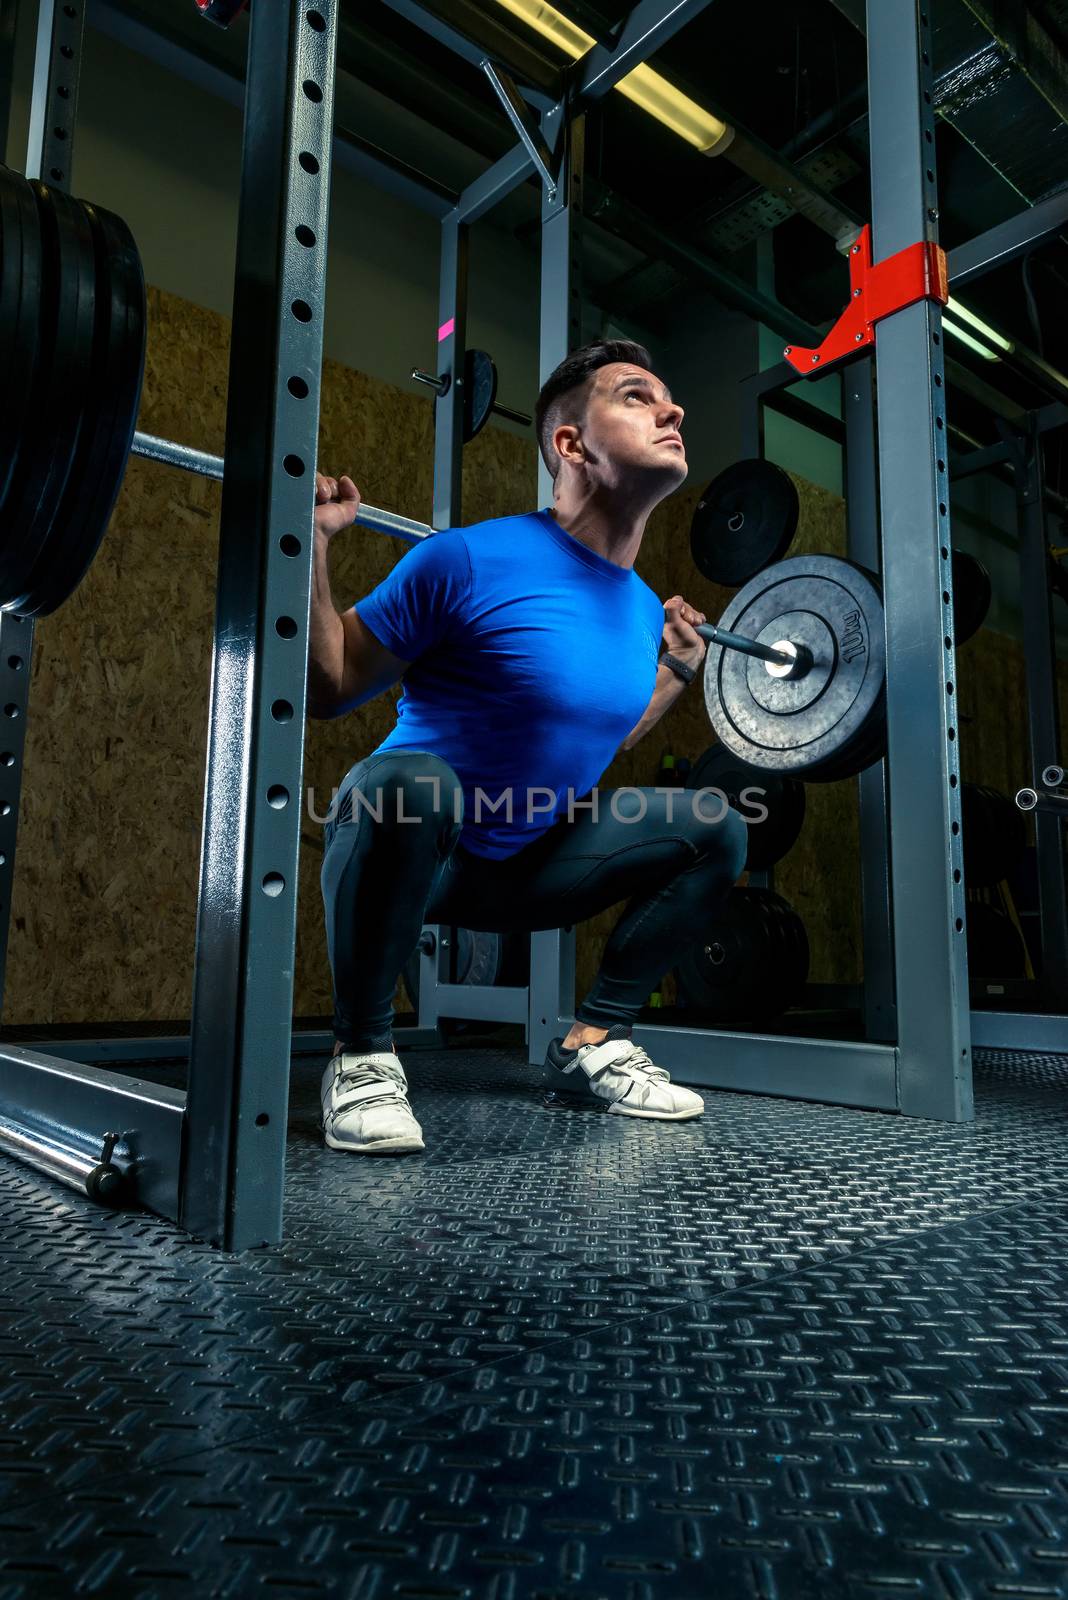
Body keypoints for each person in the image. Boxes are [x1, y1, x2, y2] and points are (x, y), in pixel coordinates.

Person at [308, 339, 747, 1155]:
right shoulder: (464, 558)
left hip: (523, 869)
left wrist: (677, 674)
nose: (673, 410)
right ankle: (362, 1054)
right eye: (636, 396)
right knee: (412, 783)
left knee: (717, 825)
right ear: (570, 445)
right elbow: (332, 686)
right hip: (406, 848)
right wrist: (313, 546)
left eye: (668, 398)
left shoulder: (644, 608)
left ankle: (595, 1042)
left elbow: (591, 737)